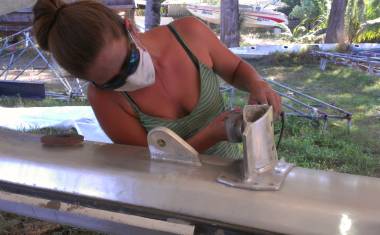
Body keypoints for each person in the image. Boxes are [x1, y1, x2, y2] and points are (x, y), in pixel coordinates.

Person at [32, 0, 281, 160]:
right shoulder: (103, 98)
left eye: (128, 62)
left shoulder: (190, 34)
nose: (127, 77)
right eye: (112, 81)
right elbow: (150, 162)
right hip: (169, 196)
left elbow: (235, 68)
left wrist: (257, 83)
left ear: (130, 28)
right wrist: (211, 135)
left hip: (231, 171)